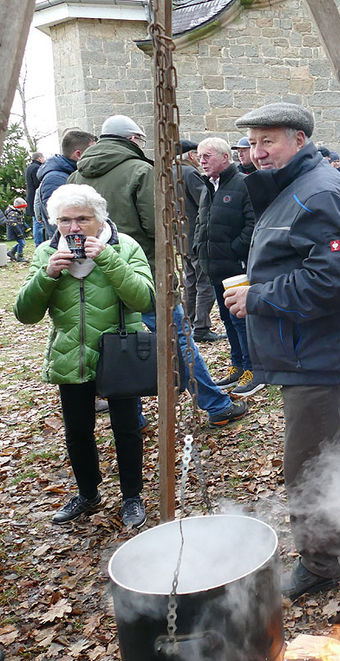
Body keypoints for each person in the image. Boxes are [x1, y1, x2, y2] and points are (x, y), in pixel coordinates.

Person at [226, 102, 340, 599]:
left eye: (267, 140)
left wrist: (259, 296)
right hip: (314, 354)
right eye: (252, 143)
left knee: (308, 468)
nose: (258, 152)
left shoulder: (318, 191)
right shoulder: (297, 187)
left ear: (298, 139)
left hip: (324, 359)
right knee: (334, 457)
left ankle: (320, 566)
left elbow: (333, 279)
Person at [69, 114, 248, 428]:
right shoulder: (140, 170)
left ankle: (130, 418)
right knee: (178, 338)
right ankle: (215, 405)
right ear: (134, 139)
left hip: (95, 277)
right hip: (143, 275)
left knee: (115, 343)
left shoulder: (76, 177)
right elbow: (158, 228)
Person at [13, 184, 154, 528]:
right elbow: (25, 313)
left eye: (82, 219)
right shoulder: (47, 252)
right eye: (65, 220)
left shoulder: (125, 246)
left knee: (127, 428)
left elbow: (144, 300)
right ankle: (88, 493)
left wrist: (106, 257)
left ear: (99, 218)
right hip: (70, 353)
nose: (73, 228)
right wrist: (47, 276)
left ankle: (132, 497)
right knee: (78, 430)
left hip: (117, 352)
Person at [195, 137, 260, 397]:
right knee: (226, 319)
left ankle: (254, 369)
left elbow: (253, 225)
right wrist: (199, 248)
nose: (202, 161)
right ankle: (238, 365)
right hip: (214, 266)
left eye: (207, 156)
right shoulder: (209, 186)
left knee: (241, 319)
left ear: (224, 157)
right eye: (200, 156)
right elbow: (203, 221)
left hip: (236, 266)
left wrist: (234, 250)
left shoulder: (243, 185)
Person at [177, 139, 222, 342]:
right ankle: (201, 327)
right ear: (190, 155)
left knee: (190, 282)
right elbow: (205, 202)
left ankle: (188, 323)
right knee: (205, 283)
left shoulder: (169, 172)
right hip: (196, 236)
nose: (199, 159)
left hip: (181, 238)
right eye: (198, 154)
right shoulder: (188, 172)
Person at [35, 130, 97, 234]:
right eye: (93, 151)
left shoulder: (67, 173)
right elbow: (58, 220)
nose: (97, 155)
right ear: (78, 154)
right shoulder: (55, 178)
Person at [25, 151, 45, 246]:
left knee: (36, 222)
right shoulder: (37, 168)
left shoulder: (29, 168)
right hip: (36, 198)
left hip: (30, 197)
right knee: (38, 223)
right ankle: (39, 244)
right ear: (39, 158)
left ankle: (38, 243)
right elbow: (39, 184)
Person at [3, 198, 29, 262]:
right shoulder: (13, 213)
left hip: (19, 231)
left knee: (22, 243)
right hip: (15, 232)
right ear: (19, 207)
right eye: (23, 207)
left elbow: (22, 221)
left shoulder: (19, 212)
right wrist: (19, 233)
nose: (24, 209)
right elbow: (14, 224)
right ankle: (19, 256)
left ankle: (11, 252)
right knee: (22, 243)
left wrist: (27, 228)